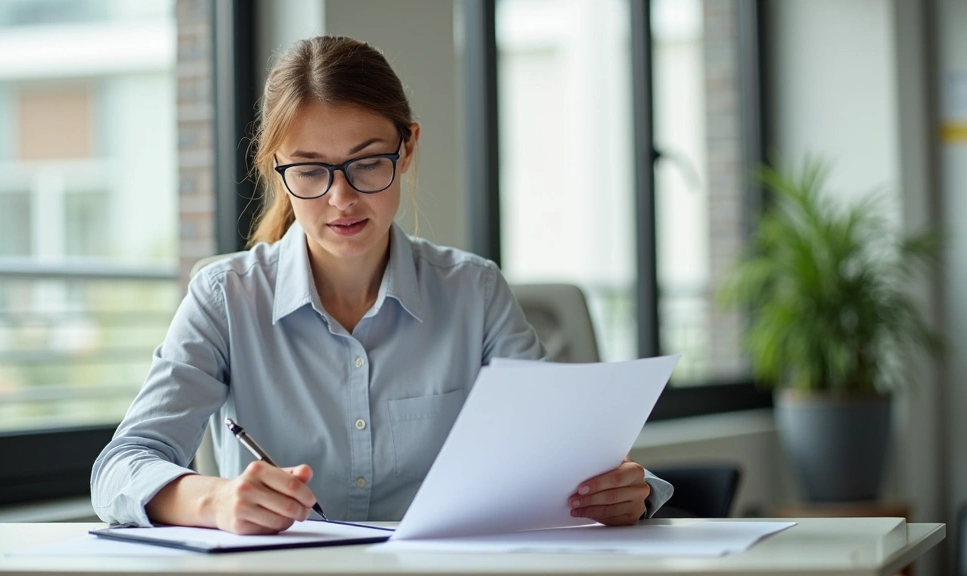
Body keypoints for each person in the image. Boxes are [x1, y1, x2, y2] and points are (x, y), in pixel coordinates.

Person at [91, 35, 672, 535]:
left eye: (368, 163)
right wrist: (214, 500)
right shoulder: (225, 298)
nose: (341, 199)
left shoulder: (475, 292)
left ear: (408, 147)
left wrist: (622, 491)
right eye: (311, 170)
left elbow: (561, 457)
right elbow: (121, 465)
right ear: (278, 170)